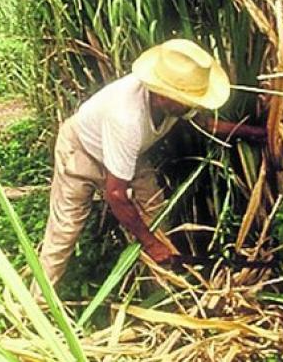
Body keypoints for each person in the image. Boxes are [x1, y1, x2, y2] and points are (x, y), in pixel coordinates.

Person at [36, 38, 266, 288]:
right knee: (65, 231)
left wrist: (254, 133)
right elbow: (115, 194)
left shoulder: (176, 101)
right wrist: (151, 243)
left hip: (129, 158)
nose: (192, 106)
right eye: (186, 101)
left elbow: (202, 124)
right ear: (162, 97)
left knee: (156, 217)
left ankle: (162, 292)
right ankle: (37, 302)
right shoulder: (126, 119)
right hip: (82, 152)